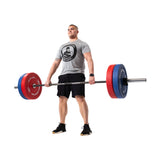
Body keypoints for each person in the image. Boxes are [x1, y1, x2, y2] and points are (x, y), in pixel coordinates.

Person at [45, 24, 95, 136]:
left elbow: (89, 59)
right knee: (62, 99)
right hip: (63, 75)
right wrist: (48, 78)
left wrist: (91, 74)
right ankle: (62, 125)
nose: (69, 31)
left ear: (77, 31)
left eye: (72, 29)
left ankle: (86, 125)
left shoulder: (83, 44)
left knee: (80, 98)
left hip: (77, 74)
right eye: (68, 30)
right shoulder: (62, 46)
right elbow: (56, 63)